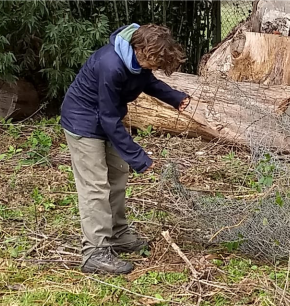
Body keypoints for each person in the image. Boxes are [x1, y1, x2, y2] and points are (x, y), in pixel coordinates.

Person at [60, 23, 191, 274]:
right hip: (83, 121)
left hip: (105, 119)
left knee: (117, 177)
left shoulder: (137, 60)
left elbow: (147, 80)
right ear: (139, 48)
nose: (154, 67)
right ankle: (94, 251)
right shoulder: (111, 65)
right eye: (153, 61)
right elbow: (108, 118)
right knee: (96, 186)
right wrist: (139, 157)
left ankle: (118, 235)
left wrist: (175, 97)